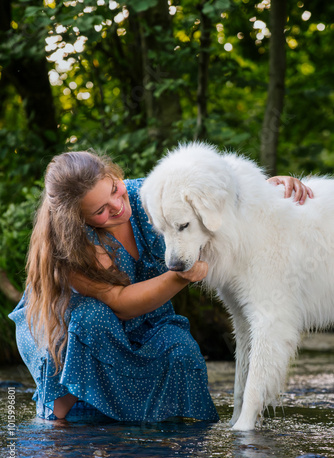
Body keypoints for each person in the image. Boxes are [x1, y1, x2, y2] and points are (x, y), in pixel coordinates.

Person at [9, 151, 312, 423]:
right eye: (101, 210)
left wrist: (267, 188)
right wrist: (180, 276)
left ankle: (159, 435)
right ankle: (58, 419)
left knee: (181, 350)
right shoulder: (70, 247)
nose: (117, 205)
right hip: (72, 325)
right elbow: (121, 303)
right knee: (92, 320)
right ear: (78, 220)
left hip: (148, 318)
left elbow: (213, 189)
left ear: (115, 176)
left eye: (115, 189)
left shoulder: (150, 194)